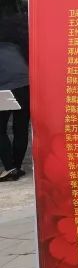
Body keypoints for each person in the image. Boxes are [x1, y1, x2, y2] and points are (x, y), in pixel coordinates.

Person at [0, 12, 30, 182]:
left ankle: (10, 168)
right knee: (20, 128)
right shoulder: (17, 48)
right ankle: (17, 167)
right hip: (26, 88)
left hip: (5, 89)